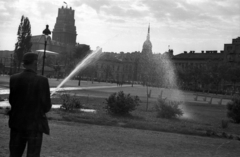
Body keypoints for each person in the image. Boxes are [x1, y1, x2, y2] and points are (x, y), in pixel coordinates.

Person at [8, 52, 52, 157]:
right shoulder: (42, 80)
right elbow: (46, 106)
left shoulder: (13, 78)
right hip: (35, 125)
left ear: (24, 63)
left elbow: (12, 101)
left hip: (17, 123)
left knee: (14, 154)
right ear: (35, 63)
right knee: (33, 154)